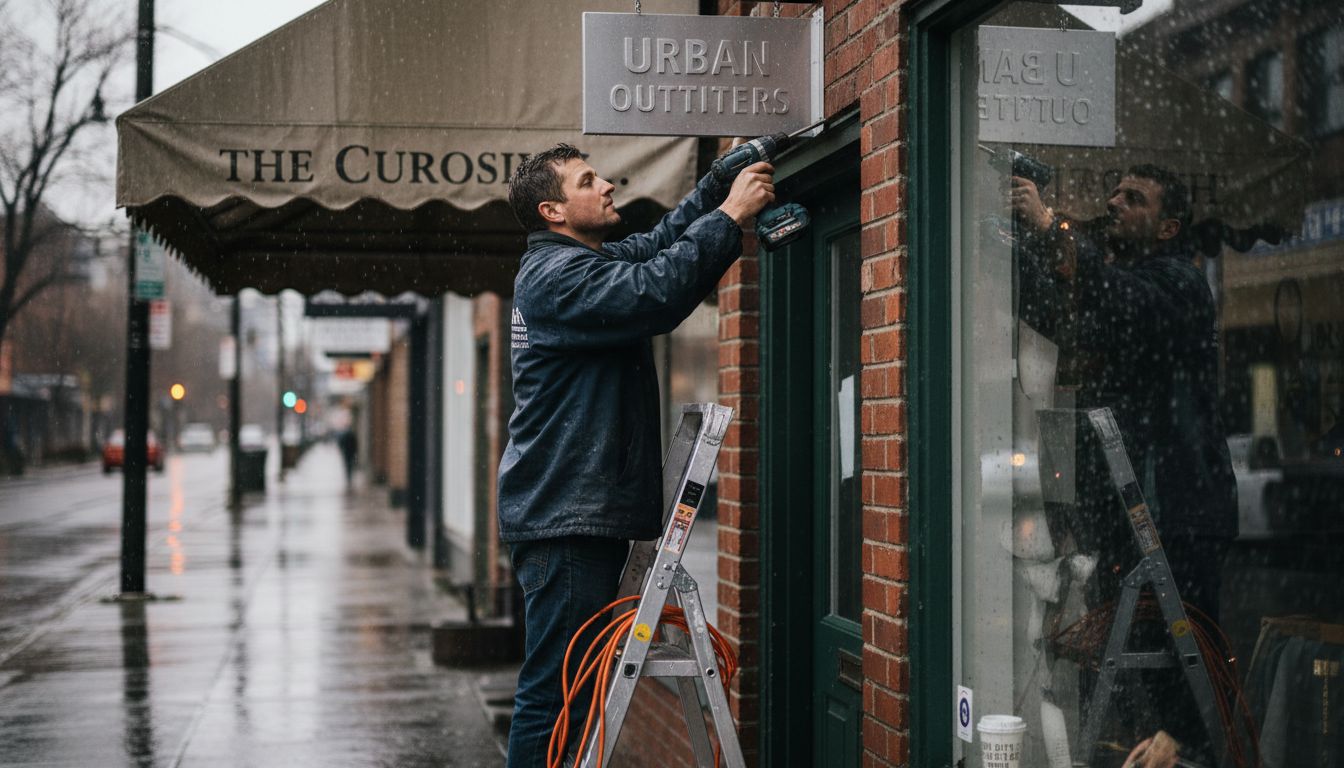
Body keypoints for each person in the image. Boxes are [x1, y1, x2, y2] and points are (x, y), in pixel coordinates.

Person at [498, 144, 774, 767]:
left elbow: (656, 248)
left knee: (569, 685)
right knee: (556, 692)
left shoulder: (578, 262)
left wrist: (715, 186)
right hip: (565, 517)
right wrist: (730, 216)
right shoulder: (556, 277)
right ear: (552, 210)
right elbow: (655, 292)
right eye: (586, 181)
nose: (606, 185)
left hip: (568, 508)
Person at [1012, 165, 1238, 761]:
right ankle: (1156, 742)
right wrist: (1019, 245)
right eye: (1113, 190)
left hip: (1179, 511)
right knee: (1136, 656)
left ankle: (1182, 743)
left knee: (1185, 645)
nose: (1113, 201)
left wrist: (1050, 226)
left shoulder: (1180, 284)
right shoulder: (1124, 284)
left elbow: (1121, 299)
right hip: (1136, 512)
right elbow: (1058, 312)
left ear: (1168, 228)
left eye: (1133, 198)